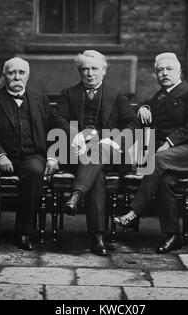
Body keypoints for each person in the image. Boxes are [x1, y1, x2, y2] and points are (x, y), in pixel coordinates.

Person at [113, 52, 188, 254]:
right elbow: (147, 107)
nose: (164, 73)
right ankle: (173, 236)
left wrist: (169, 142)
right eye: (160, 70)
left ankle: (134, 211)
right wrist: (143, 107)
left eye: (169, 69)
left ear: (179, 71)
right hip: (171, 158)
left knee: (156, 159)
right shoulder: (160, 96)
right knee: (163, 182)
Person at [0, 57, 59, 252]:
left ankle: (24, 232)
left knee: (36, 170)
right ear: (5, 75)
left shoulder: (41, 100)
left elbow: (53, 131)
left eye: (21, 72)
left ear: (28, 76)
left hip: (30, 155)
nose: (16, 76)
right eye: (11, 72)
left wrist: (52, 156)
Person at [53, 50, 137, 256]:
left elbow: (132, 123)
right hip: (77, 153)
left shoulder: (115, 94)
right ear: (79, 71)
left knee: (97, 154)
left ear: (104, 70)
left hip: (108, 152)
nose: (89, 73)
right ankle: (98, 236)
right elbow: (57, 119)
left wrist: (114, 139)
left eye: (94, 69)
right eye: (85, 69)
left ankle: (76, 195)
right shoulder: (68, 94)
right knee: (96, 174)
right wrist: (76, 134)